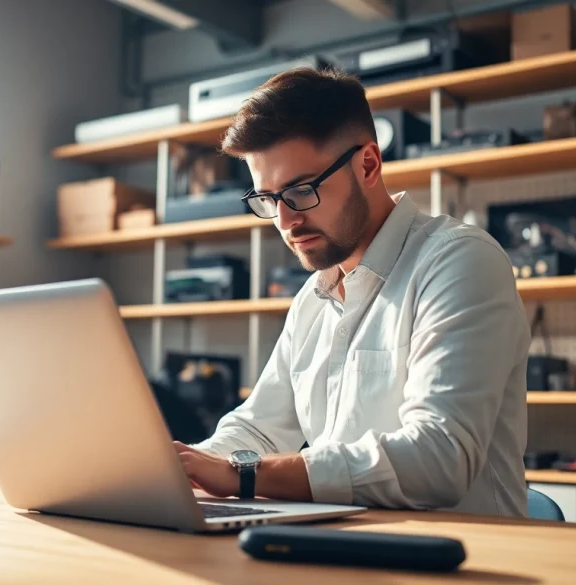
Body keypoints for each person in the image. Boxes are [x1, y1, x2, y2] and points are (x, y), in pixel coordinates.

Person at [172, 67, 530, 517]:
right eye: (267, 199)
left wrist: (245, 476)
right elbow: (257, 431)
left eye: (300, 191)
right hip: (345, 549)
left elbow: (439, 458)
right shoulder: (313, 297)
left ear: (368, 165)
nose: (284, 221)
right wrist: (180, 468)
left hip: (466, 558)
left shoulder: (460, 261)